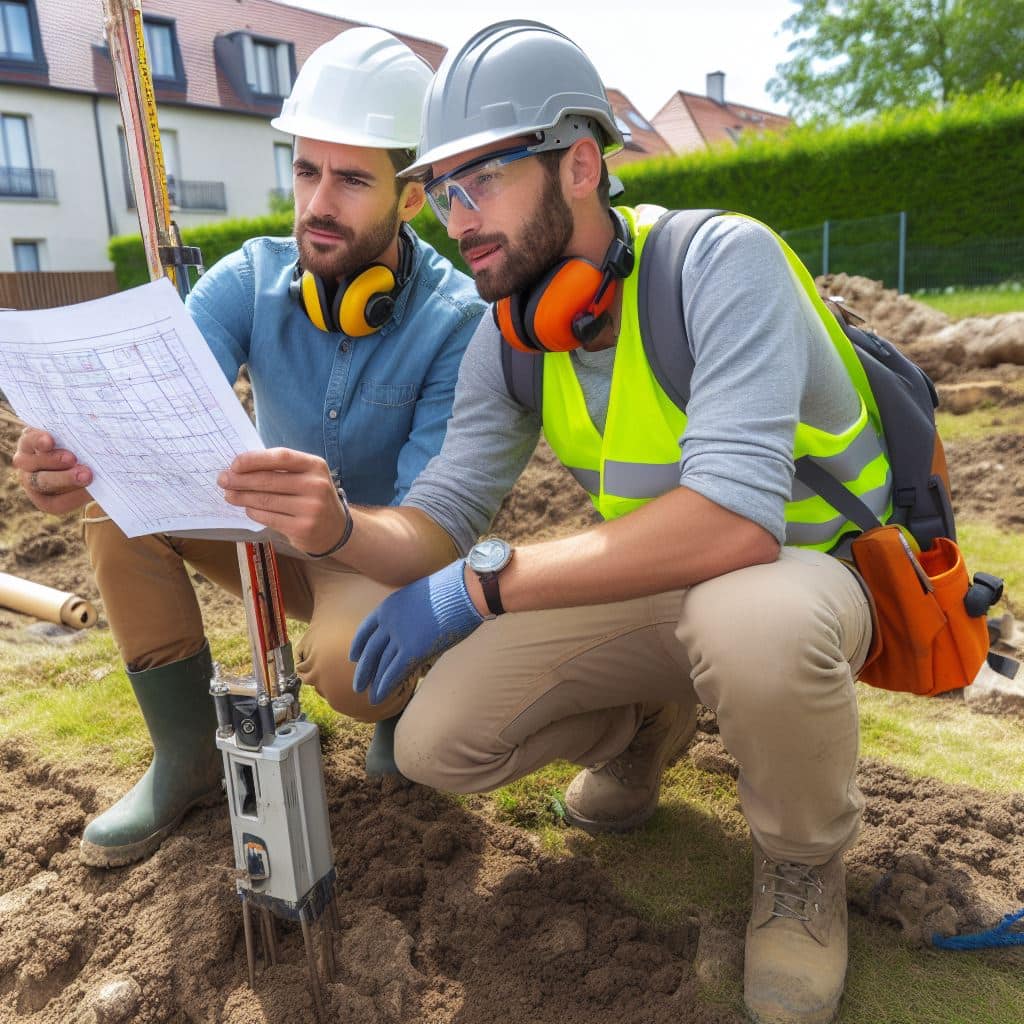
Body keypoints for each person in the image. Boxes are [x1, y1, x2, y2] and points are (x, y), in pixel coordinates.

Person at [220, 20, 879, 1024]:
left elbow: (739, 522)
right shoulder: (518, 330)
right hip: (667, 582)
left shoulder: (722, 263)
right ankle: (644, 727)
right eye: (441, 191)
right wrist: (338, 528)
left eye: (477, 182)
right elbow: (442, 511)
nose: (454, 218)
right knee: (439, 743)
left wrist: (486, 582)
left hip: (808, 571)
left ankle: (798, 868)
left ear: (578, 163)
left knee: (753, 619)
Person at [12, 27, 484, 870]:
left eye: (350, 180)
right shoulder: (247, 278)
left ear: (412, 196)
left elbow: (432, 525)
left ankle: (401, 704)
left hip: (376, 555)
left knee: (351, 672)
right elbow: (147, 411)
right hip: (264, 529)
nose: (316, 203)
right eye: (306, 171)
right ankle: (186, 757)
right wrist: (76, 460)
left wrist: (340, 525)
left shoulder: (457, 323)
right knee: (115, 503)